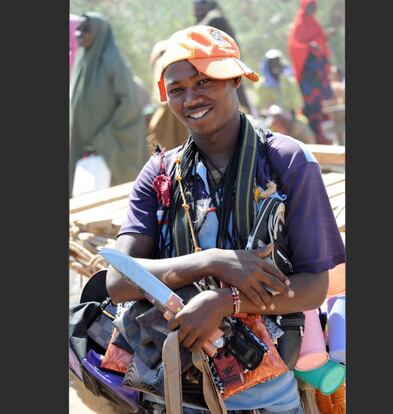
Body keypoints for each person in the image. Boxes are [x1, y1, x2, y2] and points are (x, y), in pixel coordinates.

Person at [106, 25, 345, 413]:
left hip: (263, 394)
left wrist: (224, 301)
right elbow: (118, 279)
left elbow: (314, 286)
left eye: (203, 80)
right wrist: (212, 261)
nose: (191, 98)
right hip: (171, 389)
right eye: (178, 89)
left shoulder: (286, 163)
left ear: (235, 77)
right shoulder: (161, 173)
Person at [69, 12, 148, 196]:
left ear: (99, 32)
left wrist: (104, 138)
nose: (79, 34)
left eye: (85, 30)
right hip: (85, 150)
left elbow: (130, 104)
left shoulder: (112, 62)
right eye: (78, 29)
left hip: (108, 150)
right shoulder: (82, 61)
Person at [193, 0, 256, 116]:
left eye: (200, 9)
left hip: (224, 68)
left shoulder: (215, 18)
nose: (197, 13)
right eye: (196, 9)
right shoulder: (213, 18)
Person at [287, 0, 334, 145]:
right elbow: (294, 46)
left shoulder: (315, 24)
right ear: (304, 7)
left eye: (314, 7)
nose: (312, 10)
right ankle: (314, 136)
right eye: (309, 7)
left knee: (319, 105)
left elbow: (321, 43)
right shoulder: (298, 25)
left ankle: (320, 135)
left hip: (317, 74)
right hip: (307, 74)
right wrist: (309, 46)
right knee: (310, 105)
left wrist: (323, 41)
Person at [253, 49, 304, 115]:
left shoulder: (289, 82)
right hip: (270, 119)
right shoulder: (261, 85)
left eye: (277, 62)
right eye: (272, 62)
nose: (275, 65)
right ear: (267, 65)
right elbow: (259, 108)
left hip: (290, 117)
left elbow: (297, 104)